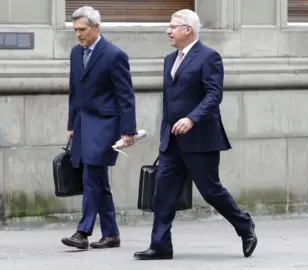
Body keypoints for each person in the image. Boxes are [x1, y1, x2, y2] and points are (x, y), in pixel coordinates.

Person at [133, 9, 258, 260]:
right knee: (162, 194)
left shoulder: (209, 57)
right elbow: (169, 102)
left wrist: (191, 119)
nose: (168, 30)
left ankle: (245, 227)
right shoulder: (169, 59)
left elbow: (214, 95)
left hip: (201, 139)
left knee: (211, 191)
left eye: (172, 26)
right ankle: (160, 245)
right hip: (172, 140)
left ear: (187, 29)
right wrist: (164, 132)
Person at [61, 5, 137, 250]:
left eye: (82, 29)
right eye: (75, 30)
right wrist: (71, 124)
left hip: (105, 125)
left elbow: (125, 96)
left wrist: (128, 131)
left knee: (91, 177)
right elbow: (74, 92)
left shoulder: (115, 55)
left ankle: (82, 232)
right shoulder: (75, 53)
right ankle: (112, 234)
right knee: (98, 181)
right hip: (83, 125)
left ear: (96, 28)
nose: (78, 34)